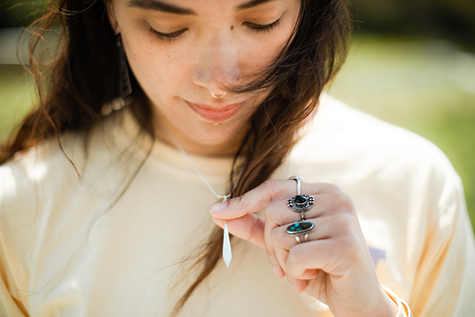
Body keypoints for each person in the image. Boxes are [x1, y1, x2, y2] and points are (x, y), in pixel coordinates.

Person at [1, 0, 474, 315]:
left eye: (261, 20)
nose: (218, 79)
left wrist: (372, 309)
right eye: (169, 28)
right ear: (110, 12)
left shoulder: (414, 183)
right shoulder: (21, 208)